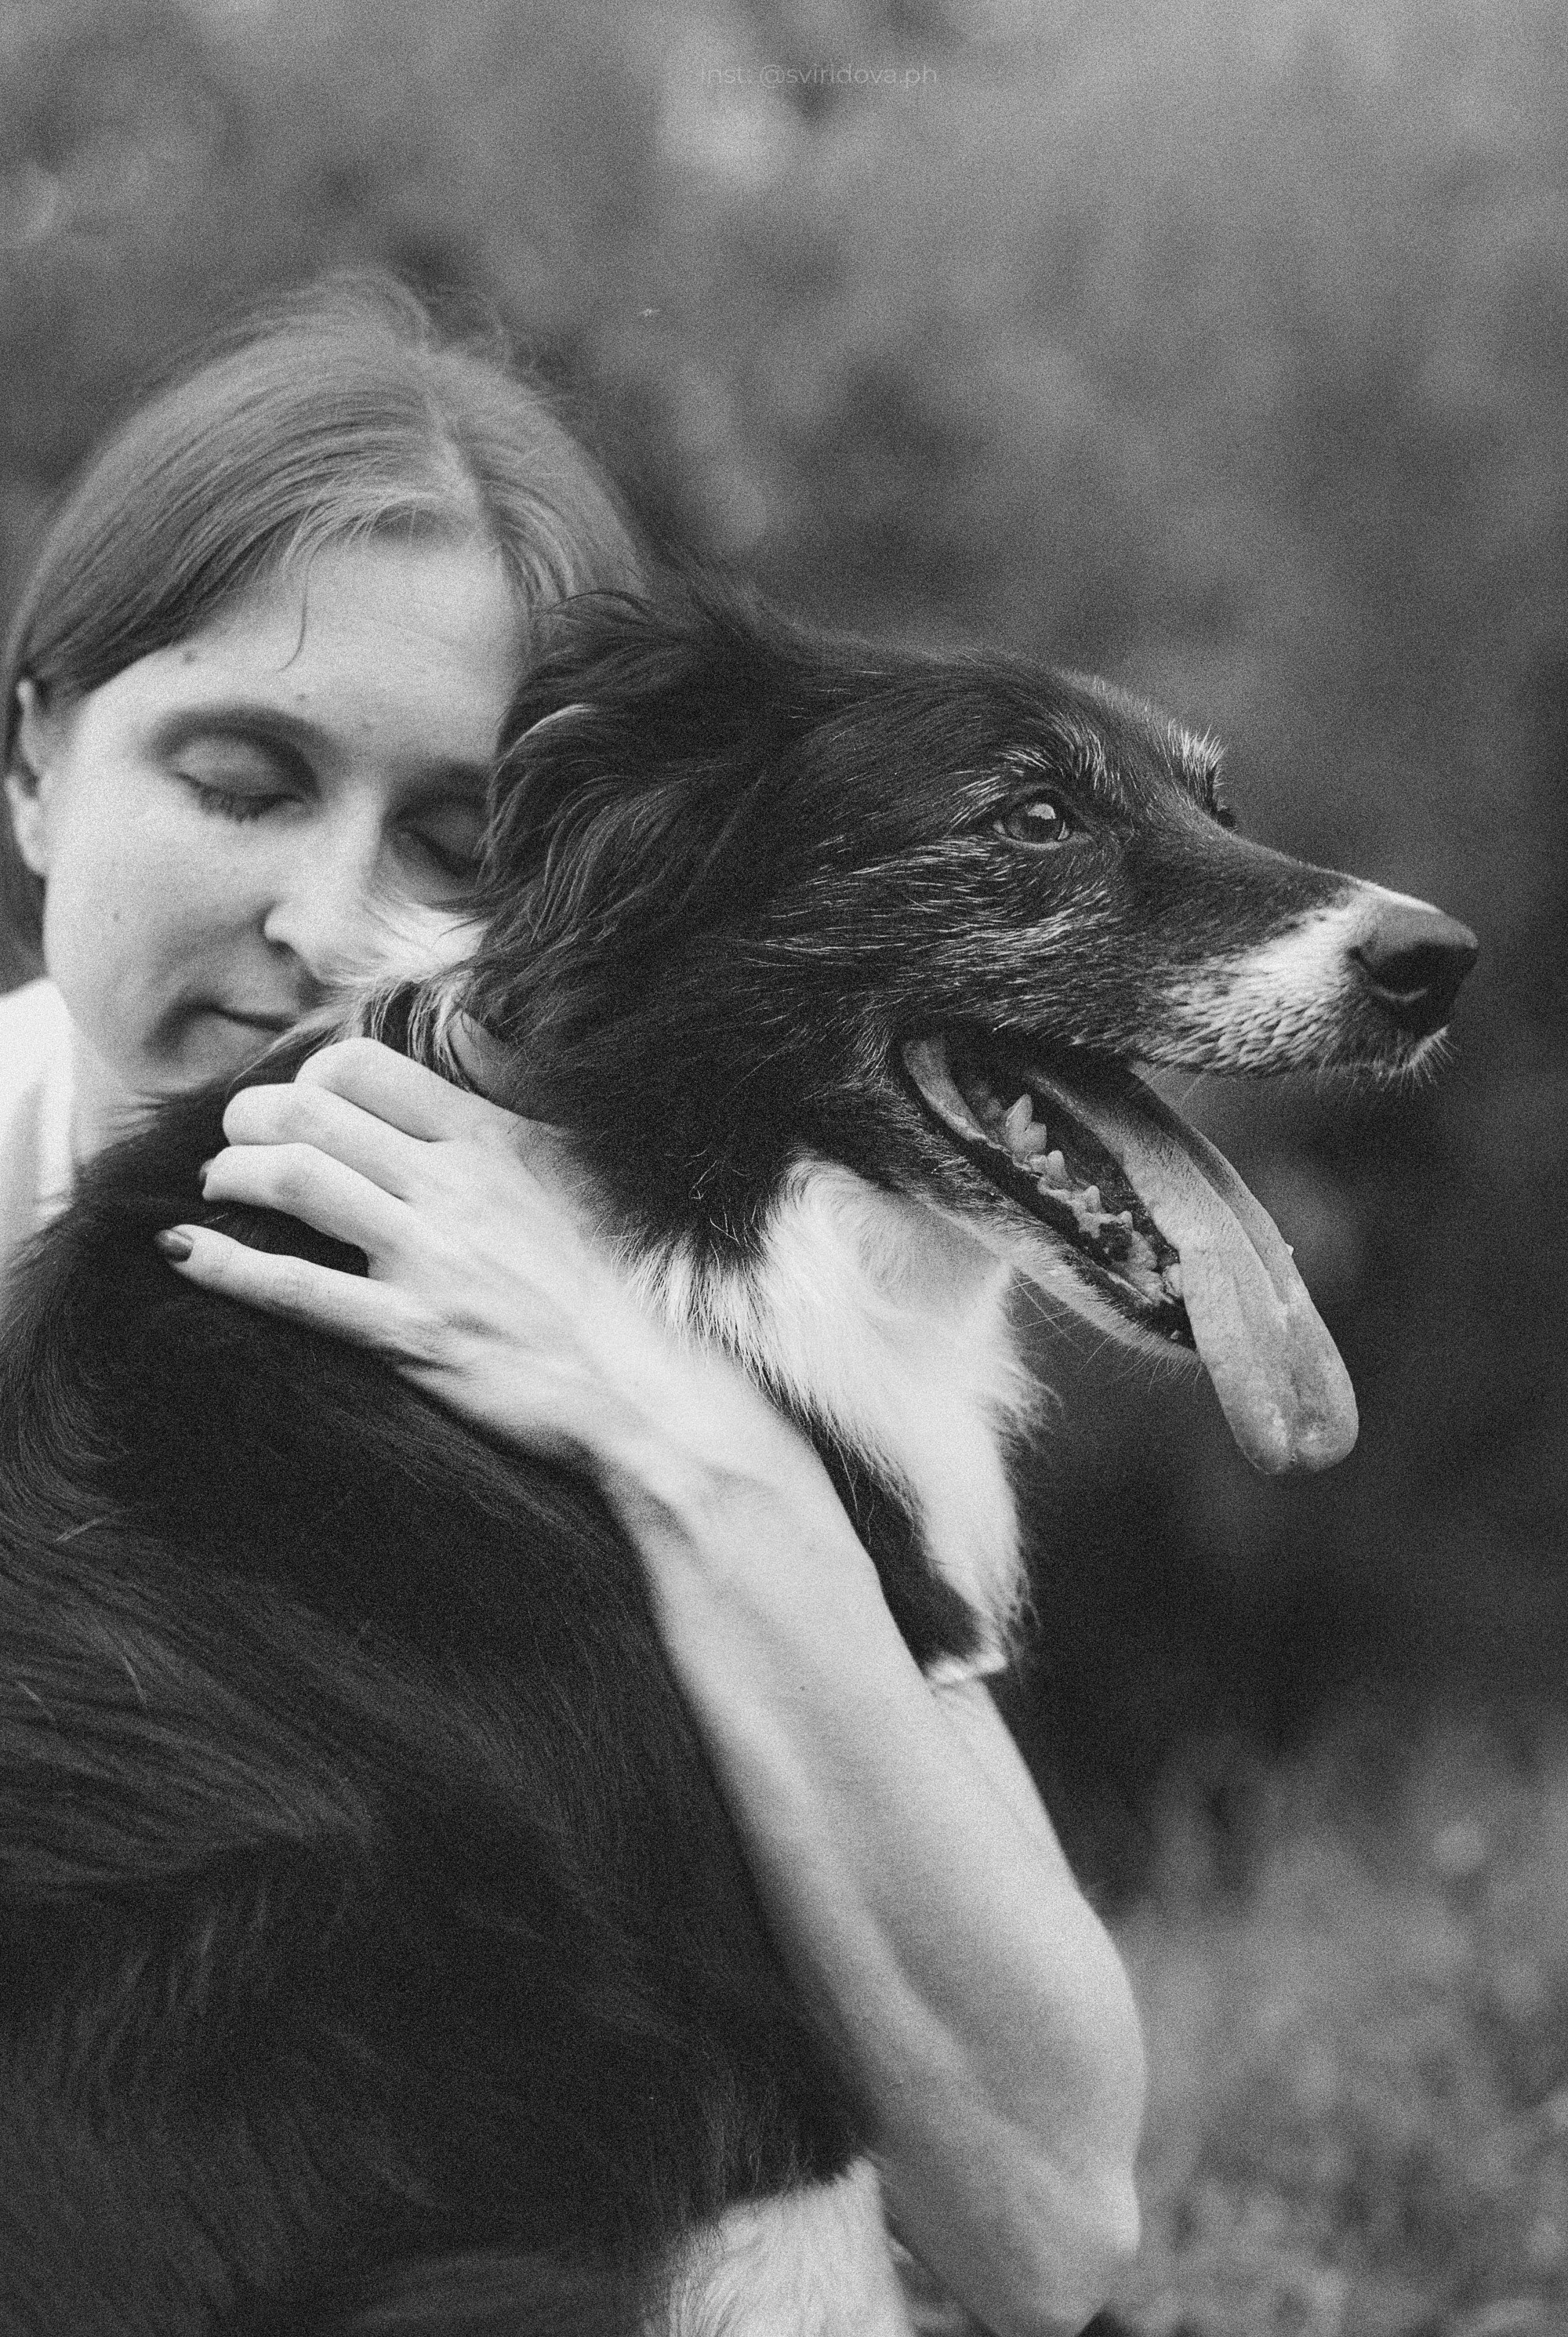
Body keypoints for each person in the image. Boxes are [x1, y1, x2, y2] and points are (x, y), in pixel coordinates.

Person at [0, 276, 1145, 2335]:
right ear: (34, 764)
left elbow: (1051, 2224)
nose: (329, 927)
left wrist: (681, 1439)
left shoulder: (664, 1277)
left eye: (459, 840)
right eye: (241, 779)